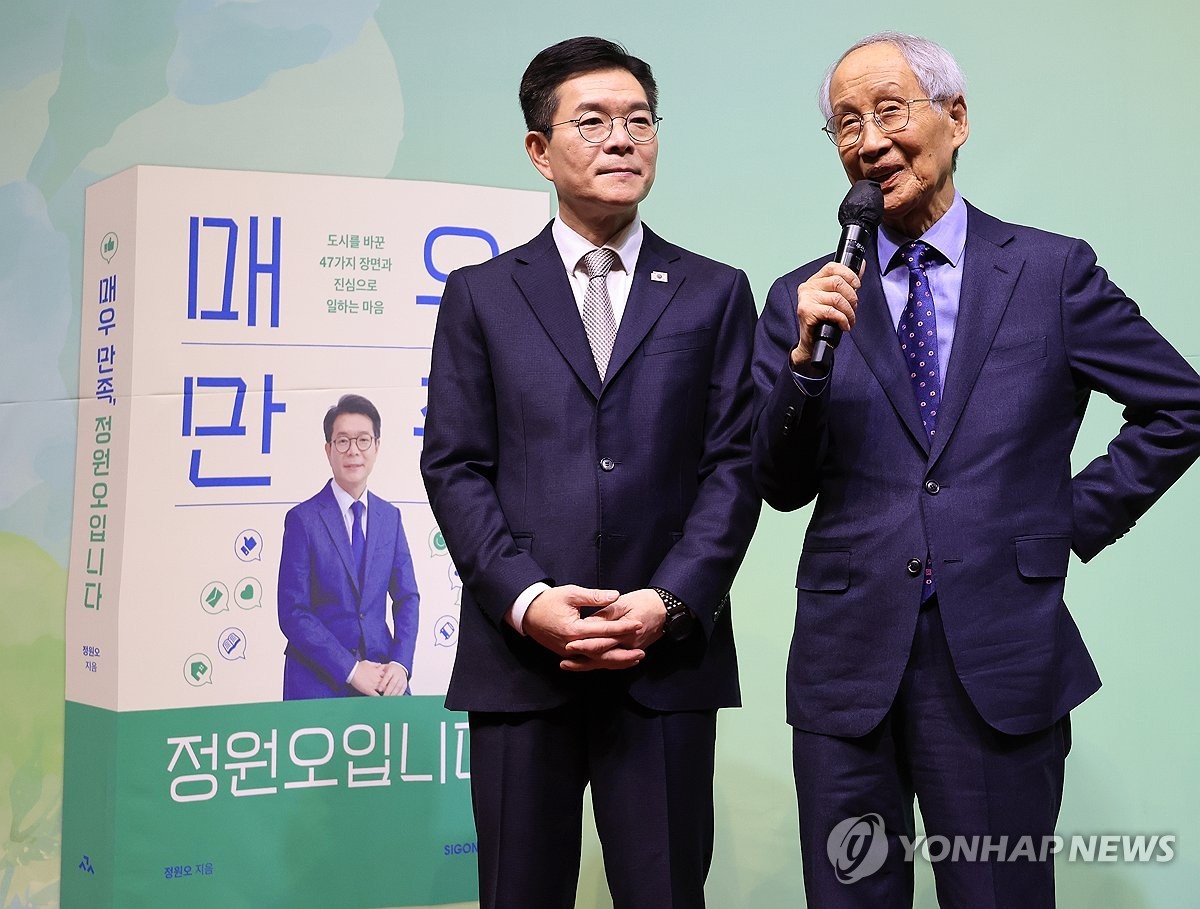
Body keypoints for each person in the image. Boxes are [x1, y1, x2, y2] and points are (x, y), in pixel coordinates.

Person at [752, 31, 1200, 908]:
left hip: (1000, 654)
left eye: (890, 111)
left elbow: (1180, 403)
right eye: (846, 123)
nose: (868, 140)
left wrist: (1066, 520)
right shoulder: (804, 297)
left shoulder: (1051, 272)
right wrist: (804, 365)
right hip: (847, 666)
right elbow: (780, 482)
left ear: (954, 119)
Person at [420, 36, 759, 909]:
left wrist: (670, 599)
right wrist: (527, 600)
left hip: (664, 662)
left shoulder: (715, 290)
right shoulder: (481, 294)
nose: (622, 139)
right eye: (594, 121)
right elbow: (455, 465)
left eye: (640, 121)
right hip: (521, 663)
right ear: (540, 150)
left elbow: (734, 464)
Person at [278, 393, 419, 699]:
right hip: (317, 679)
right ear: (328, 450)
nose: (353, 450)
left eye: (363, 440)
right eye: (342, 441)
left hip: (383, 676)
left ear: (377, 447)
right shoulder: (302, 520)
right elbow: (293, 611)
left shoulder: (390, 518)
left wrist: (400, 664)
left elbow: (407, 597)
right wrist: (351, 669)